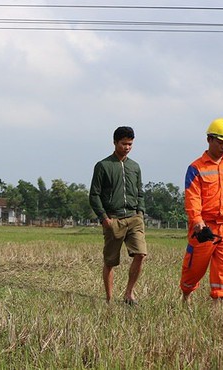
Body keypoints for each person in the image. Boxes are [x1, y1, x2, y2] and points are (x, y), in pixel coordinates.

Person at [181, 118, 223, 303]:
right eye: (220, 142)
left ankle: (218, 306)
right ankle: (185, 297)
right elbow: (192, 197)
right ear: (209, 139)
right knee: (194, 269)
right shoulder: (196, 168)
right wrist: (197, 221)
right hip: (204, 228)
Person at [89, 126, 146, 305]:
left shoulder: (135, 167)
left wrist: (141, 212)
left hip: (134, 218)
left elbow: (140, 192)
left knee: (140, 254)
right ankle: (109, 299)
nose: (127, 147)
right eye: (123, 144)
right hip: (113, 219)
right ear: (114, 142)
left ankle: (129, 294)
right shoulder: (103, 166)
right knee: (110, 261)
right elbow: (94, 195)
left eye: (130, 144)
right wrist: (104, 218)